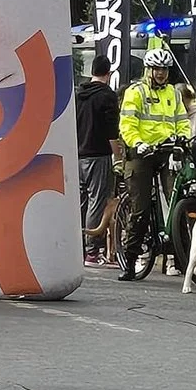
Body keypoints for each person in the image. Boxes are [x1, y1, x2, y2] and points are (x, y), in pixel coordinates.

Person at [117, 46, 196, 280]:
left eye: (164, 69)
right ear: (148, 70)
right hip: (141, 153)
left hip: (166, 151)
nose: (161, 73)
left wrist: (184, 137)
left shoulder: (172, 93)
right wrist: (137, 142)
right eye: (157, 69)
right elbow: (127, 124)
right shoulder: (136, 92)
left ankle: (181, 256)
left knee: (177, 199)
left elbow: (181, 119)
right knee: (140, 209)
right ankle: (130, 261)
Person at [73, 55, 121, 266]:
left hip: (77, 154)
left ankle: (77, 249)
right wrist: (117, 156)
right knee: (96, 201)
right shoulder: (107, 96)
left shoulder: (78, 94)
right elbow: (112, 130)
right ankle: (92, 250)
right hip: (98, 154)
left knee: (80, 202)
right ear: (108, 74)